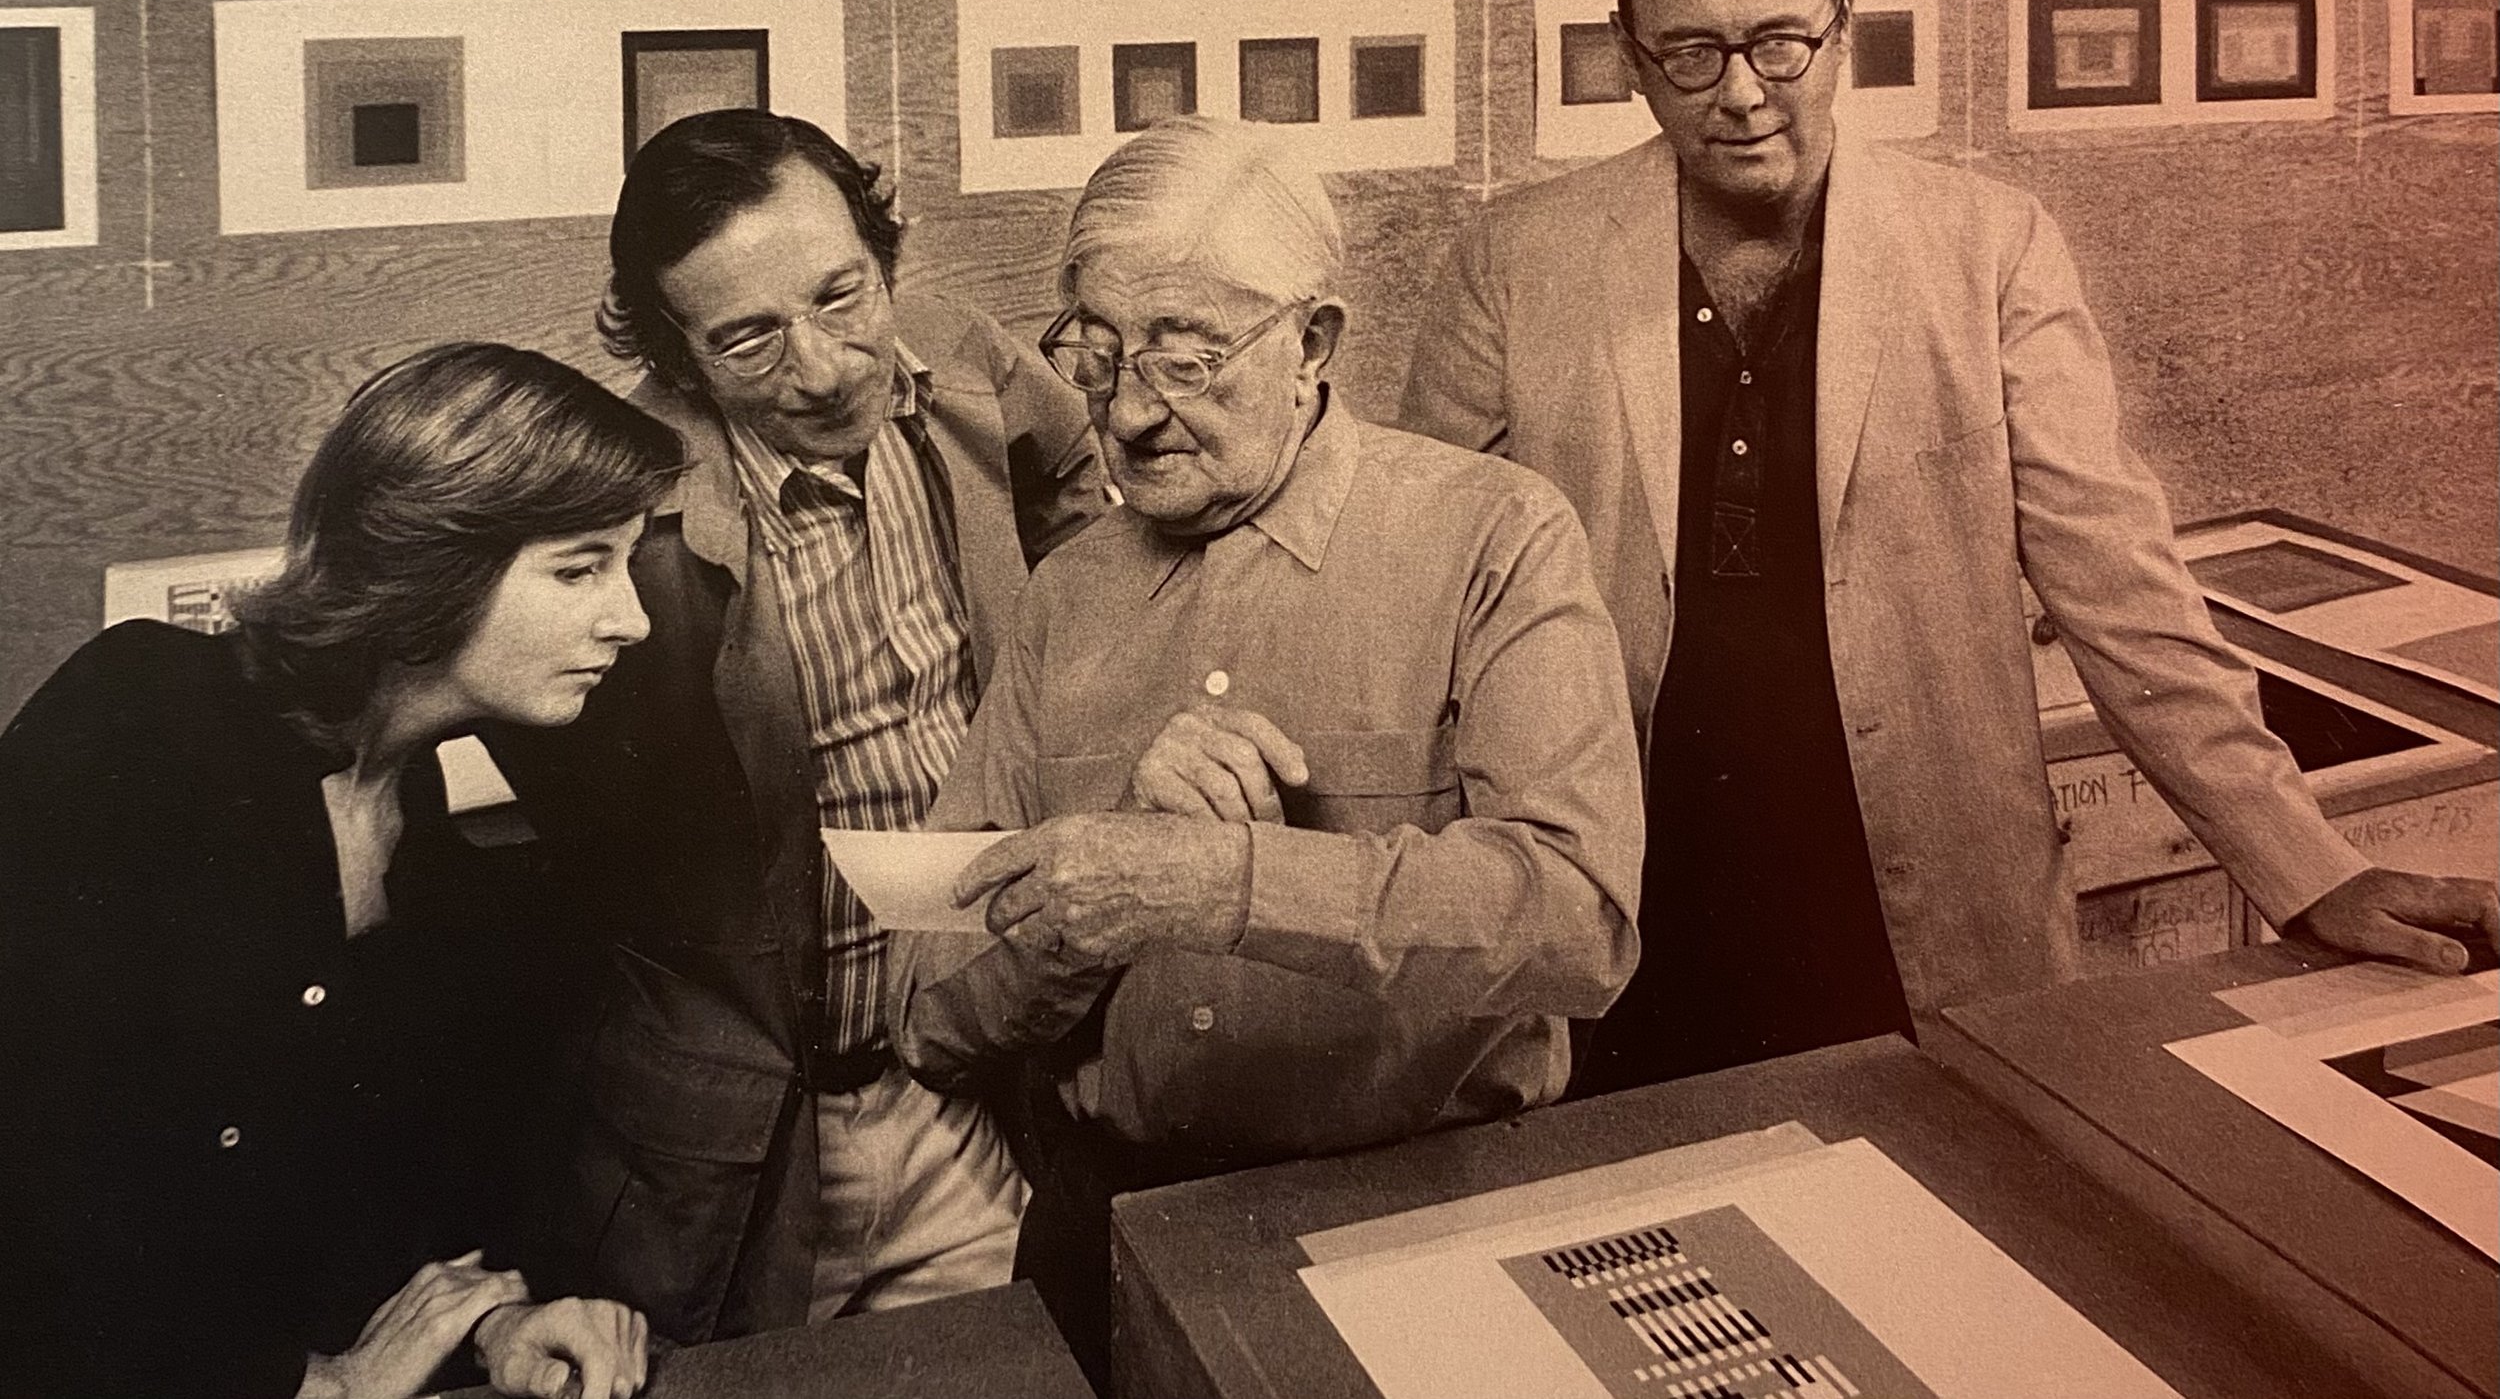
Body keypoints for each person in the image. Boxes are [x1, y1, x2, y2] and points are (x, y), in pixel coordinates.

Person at [1398, 0, 2500, 1097]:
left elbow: (2120, 587)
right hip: (1627, 909)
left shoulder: (1988, 247)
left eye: (1778, 42)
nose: (1743, 93)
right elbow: (1428, 605)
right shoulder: (1511, 263)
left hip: (1917, 903)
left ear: (1842, 27)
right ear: (1629, 59)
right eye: (1692, 53)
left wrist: (2305, 866)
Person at [890, 116, 1645, 1379]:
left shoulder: (1495, 537)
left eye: (1185, 359)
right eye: (1097, 352)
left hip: (1426, 1236)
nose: (1127, 414)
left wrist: (1216, 883)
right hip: (1103, 1241)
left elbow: (1578, 923)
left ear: (1312, 345)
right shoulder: (1065, 596)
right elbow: (931, 1013)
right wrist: (1092, 906)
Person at [482, 110, 1104, 1344]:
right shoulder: (620, 518)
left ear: (885, 260)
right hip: (737, 1157)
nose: (821, 369)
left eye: (842, 295)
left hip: (967, 1092)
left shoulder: (964, 373)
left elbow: (1079, 491)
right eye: (748, 338)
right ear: (674, 355)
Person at [0, 343, 677, 1399]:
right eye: (580, 567)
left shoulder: (423, 814)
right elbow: (42, 1198)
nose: (629, 617)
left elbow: (349, 1191)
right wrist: (312, 1381)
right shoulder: (139, 715)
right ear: (432, 562)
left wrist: (497, 1323)